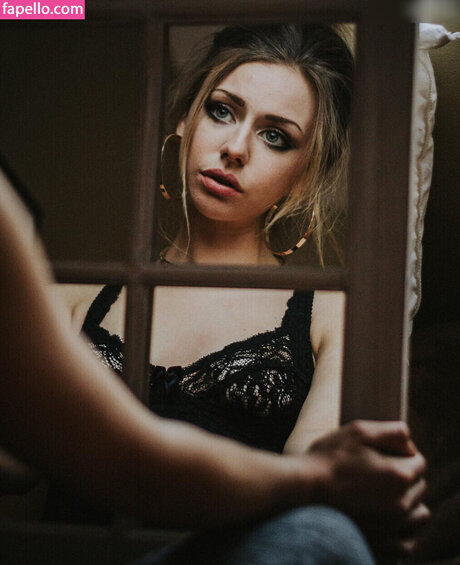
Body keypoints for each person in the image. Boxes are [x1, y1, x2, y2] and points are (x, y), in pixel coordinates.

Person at [0, 22, 429, 562]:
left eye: (276, 137)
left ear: (304, 173)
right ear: (185, 118)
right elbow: (14, 464)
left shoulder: (329, 312)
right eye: (222, 111)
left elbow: (322, 479)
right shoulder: (76, 296)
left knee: (325, 536)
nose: (235, 148)